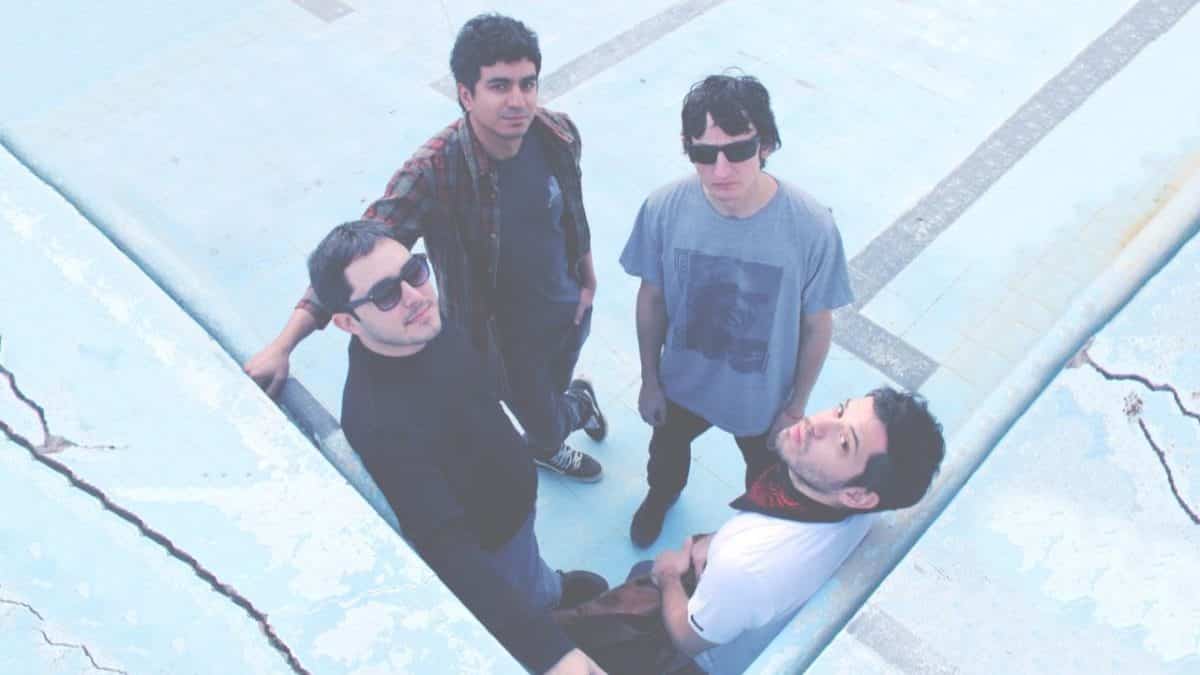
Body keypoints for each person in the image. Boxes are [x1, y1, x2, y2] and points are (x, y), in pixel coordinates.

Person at [245, 13, 607, 482]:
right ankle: (564, 425)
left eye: (528, 83)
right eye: (499, 86)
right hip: (496, 340)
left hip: (565, 308)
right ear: (466, 94)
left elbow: (571, 213)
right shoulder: (435, 171)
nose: (519, 101)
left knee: (551, 387)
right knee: (541, 421)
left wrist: (587, 280)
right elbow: (352, 258)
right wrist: (283, 346)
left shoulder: (558, 134)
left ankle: (566, 406)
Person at [309, 221, 608, 674]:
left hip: (514, 506)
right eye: (386, 295)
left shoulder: (427, 326)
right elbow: (447, 548)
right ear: (348, 322)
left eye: (414, 272)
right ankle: (547, 604)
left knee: (531, 568)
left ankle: (552, 588)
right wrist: (551, 653)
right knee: (519, 582)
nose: (414, 296)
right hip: (492, 539)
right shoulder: (377, 420)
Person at [620, 73, 854, 546]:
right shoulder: (664, 209)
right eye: (705, 154)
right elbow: (652, 298)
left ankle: (757, 531)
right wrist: (649, 379)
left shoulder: (811, 227)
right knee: (666, 458)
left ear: (766, 144)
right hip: (682, 383)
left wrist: (794, 408)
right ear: (687, 148)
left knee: (766, 484)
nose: (721, 170)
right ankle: (662, 495)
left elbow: (817, 326)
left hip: (762, 402)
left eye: (738, 150)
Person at [563, 389, 944, 674]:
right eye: (840, 409)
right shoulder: (861, 511)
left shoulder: (745, 566)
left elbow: (686, 638)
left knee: (582, 637)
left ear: (858, 495)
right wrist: (713, 542)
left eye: (844, 442)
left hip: (693, 651)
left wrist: (668, 577)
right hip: (728, 600)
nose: (818, 424)